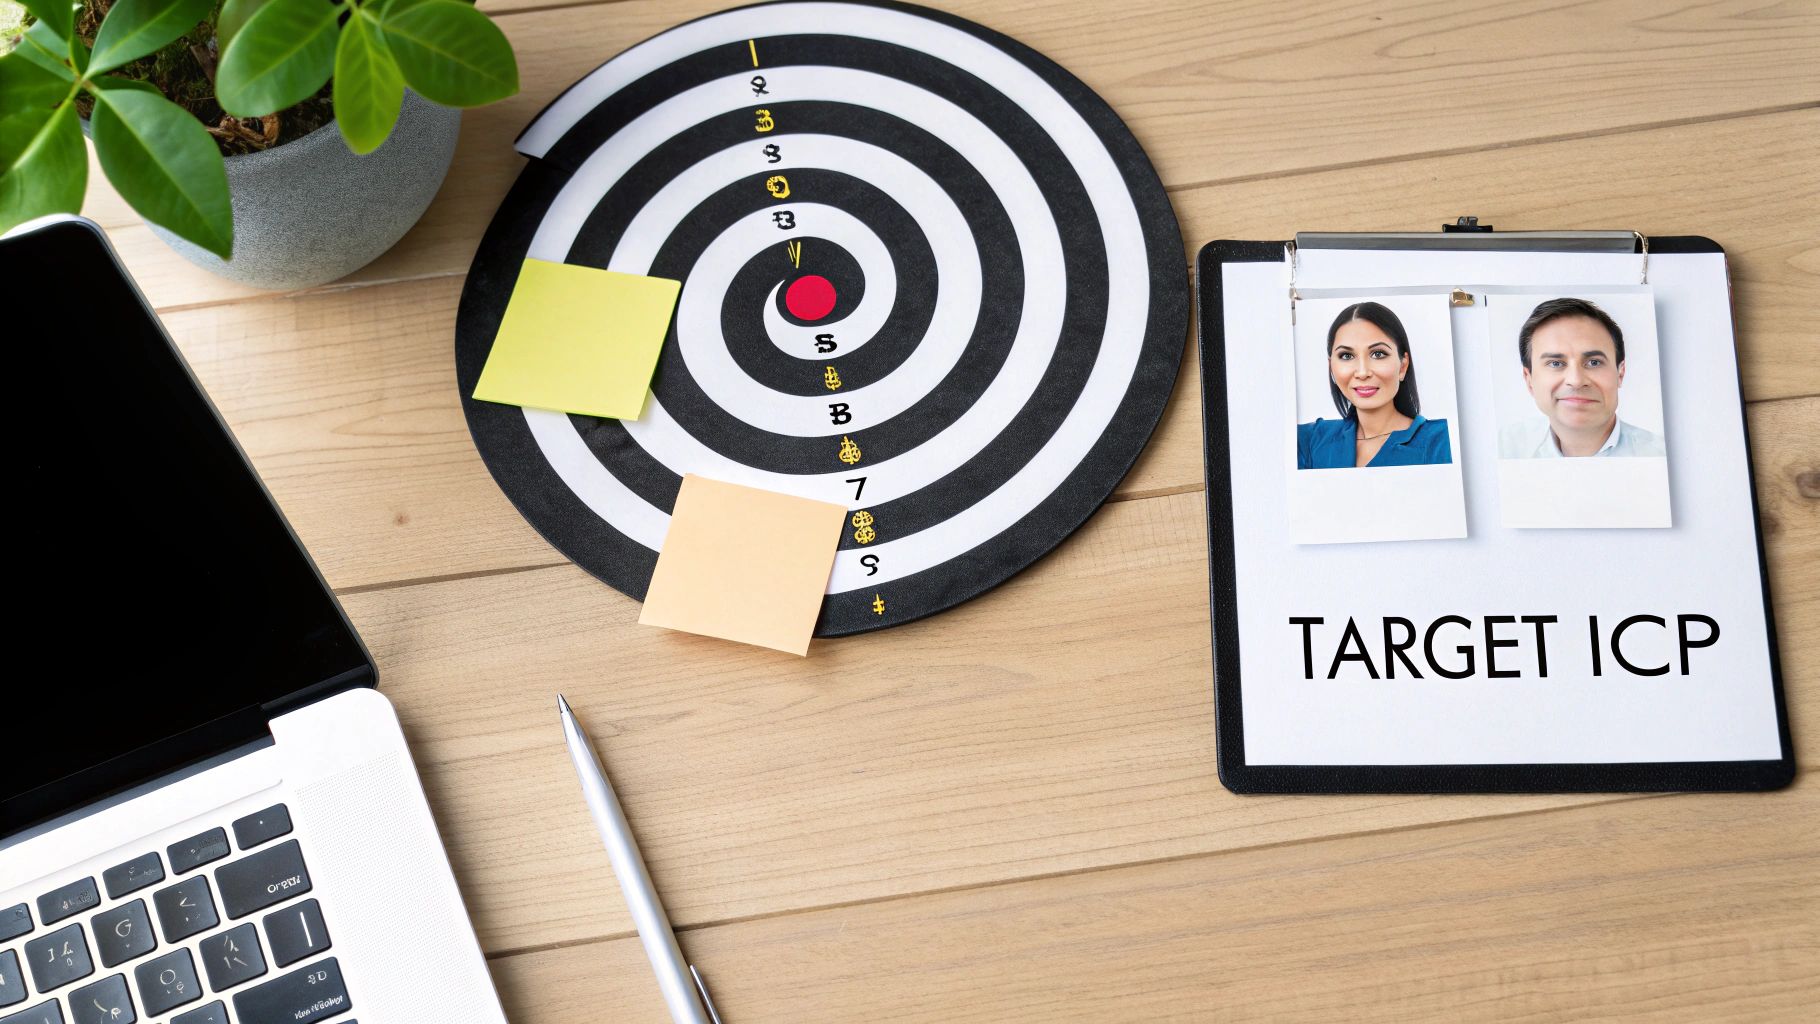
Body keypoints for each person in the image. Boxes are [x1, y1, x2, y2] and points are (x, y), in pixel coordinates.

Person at [1501, 297, 1665, 458]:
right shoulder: (1504, 450)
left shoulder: (1661, 455)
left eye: (1594, 362)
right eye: (1556, 363)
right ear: (1529, 380)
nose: (1576, 381)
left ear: (1620, 373)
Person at [1297, 302, 1452, 469]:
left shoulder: (1444, 441)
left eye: (1378, 354)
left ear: (1403, 366)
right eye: (1347, 356)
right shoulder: (1308, 441)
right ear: (1331, 368)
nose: (1362, 372)